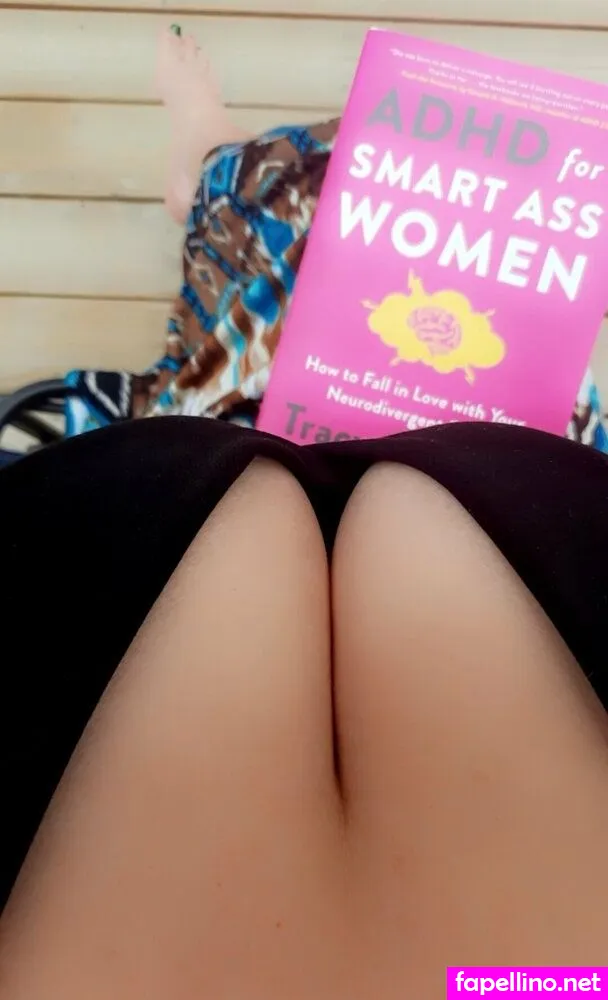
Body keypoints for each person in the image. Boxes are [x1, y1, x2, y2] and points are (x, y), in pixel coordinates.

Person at [0, 31, 607, 998]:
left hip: (202, 453)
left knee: (264, 301)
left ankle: (207, 165)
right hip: (514, 458)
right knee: (441, 266)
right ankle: (216, 175)